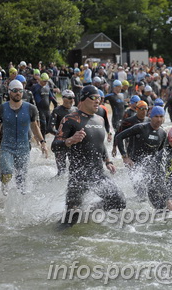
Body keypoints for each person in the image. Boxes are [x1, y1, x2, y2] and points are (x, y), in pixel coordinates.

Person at [53, 85, 126, 226]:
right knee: (69, 222)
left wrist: (108, 160)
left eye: (99, 98)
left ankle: (90, 211)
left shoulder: (100, 119)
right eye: (93, 97)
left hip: (98, 173)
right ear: (83, 99)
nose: (97, 101)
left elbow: (99, 143)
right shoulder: (70, 119)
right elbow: (55, 145)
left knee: (119, 201)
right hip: (79, 176)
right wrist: (69, 141)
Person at [0, 80, 48, 195]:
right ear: (9, 91)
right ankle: (4, 188)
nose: (18, 93)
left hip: (24, 148)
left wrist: (42, 142)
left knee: (21, 180)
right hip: (6, 147)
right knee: (7, 172)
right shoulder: (2, 108)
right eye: (15, 91)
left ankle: (21, 201)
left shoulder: (31, 108)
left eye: (20, 91)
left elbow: (35, 127)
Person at [115, 106, 167, 199]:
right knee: (141, 195)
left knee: (154, 193)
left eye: (161, 117)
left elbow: (160, 154)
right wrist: (125, 157)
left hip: (150, 167)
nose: (159, 119)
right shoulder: (140, 128)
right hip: (135, 166)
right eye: (156, 116)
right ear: (150, 116)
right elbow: (119, 137)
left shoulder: (163, 133)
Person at [147, 126, 172, 211]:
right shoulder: (163, 155)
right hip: (156, 191)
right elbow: (158, 179)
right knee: (165, 216)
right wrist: (168, 202)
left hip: (167, 190)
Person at [49, 90, 77, 176]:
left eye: (73, 98)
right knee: (61, 171)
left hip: (73, 142)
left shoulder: (76, 110)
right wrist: (61, 136)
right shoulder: (57, 111)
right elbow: (50, 128)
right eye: (69, 98)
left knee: (75, 168)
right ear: (63, 98)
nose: (72, 100)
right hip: (60, 142)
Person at [30, 73, 58, 138]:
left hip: (47, 110)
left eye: (46, 81)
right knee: (43, 125)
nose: (45, 83)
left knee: (49, 127)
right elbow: (33, 98)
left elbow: (52, 98)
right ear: (40, 80)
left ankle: (38, 136)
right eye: (44, 81)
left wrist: (56, 107)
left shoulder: (47, 87)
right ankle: (42, 142)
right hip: (39, 109)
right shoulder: (35, 87)